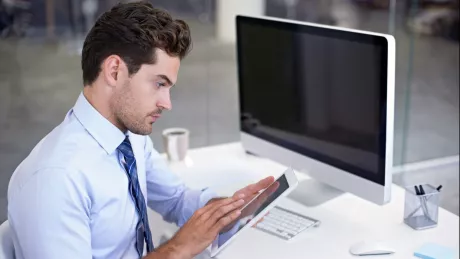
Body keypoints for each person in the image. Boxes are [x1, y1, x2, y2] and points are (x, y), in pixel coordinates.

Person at [7, 1, 274, 259]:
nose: (167, 104)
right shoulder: (55, 181)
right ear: (114, 71)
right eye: (159, 84)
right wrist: (178, 248)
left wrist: (229, 210)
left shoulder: (128, 138)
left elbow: (177, 200)